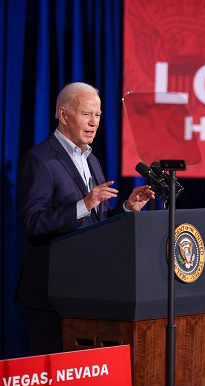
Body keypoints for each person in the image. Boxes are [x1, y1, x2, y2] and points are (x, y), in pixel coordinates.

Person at [16, 82, 155, 355]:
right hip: (52, 294)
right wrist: (84, 204)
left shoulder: (92, 160)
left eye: (98, 115)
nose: (94, 123)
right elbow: (32, 223)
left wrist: (127, 208)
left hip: (89, 291)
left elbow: (96, 226)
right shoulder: (40, 159)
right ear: (63, 114)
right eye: (86, 114)